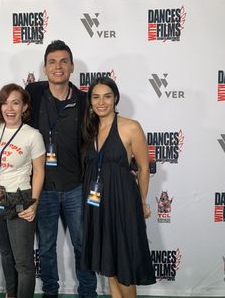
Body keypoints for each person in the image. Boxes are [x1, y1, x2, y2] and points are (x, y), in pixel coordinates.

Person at [25, 40, 97, 298]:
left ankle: (88, 292)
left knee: (82, 244)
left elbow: (104, 135)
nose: (58, 67)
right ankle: (50, 292)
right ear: (45, 68)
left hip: (75, 187)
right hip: (41, 188)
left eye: (64, 61)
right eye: (53, 62)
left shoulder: (84, 100)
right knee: (45, 247)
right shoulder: (32, 95)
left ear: (72, 66)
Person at [81, 77, 156, 298]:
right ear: (90, 101)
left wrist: (141, 201)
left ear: (115, 99)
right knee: (108, 264)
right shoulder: (89, 128)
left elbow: (143, 168)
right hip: (96, 204)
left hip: (123, 202)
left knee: (123, 266)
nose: (101, 102)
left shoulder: (131, 127)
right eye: (95, 97)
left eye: (107, 96)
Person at [0, 83, 45, 298]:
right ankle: (11, 294)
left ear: (25, 107)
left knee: (24, 262)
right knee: (6, 252)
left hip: (20, 199)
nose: (9, 108)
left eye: (15, 103)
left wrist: (34, 202)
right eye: (5, 103)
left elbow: (39, 172)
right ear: (0, 106)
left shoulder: (33, 135)